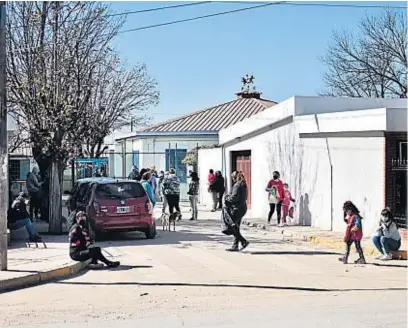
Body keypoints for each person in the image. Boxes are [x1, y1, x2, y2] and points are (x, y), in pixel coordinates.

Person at [224, 171, 249, 252]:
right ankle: (235, 245)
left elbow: (234, 198)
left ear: (235, 177)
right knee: (236, 227)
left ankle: (243, 241)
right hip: (242, 208)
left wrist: (227, 197)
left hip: (236, 209)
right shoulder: (243, 184)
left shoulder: (237, 185)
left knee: (231, 227)